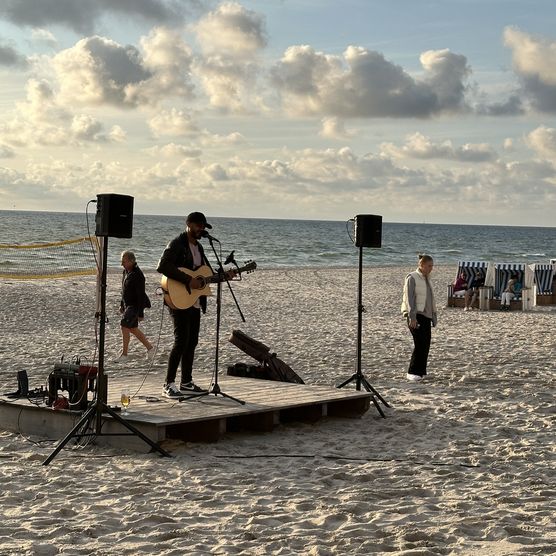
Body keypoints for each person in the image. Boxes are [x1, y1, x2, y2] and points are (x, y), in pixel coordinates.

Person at [157, 212, 220, 397]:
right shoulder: (177, 243)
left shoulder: (199, 248)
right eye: (198, 226)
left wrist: (224, 275)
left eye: (203, 226)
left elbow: (206, 274)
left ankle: (186, 382)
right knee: (181, 341)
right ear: (188, 224)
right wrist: (187, 280)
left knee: (192, 342)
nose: (201, 229)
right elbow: (163, 265)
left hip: (194, 300)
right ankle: (168, 384)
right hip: (178, 298)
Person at [401, 254, 437, 382]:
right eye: (429, 266)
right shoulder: (412, 277)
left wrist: (433, 316)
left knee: (426, 344)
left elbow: (430, 299)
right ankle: (412, 372)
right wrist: (412, 317)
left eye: (432, 266)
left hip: (426, 315)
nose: (431, 268)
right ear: (421, 265)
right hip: (416, 315)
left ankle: (422, 372)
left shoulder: (428, 279)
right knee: (419, 343)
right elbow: (409, 299)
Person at [118, 250, 153, 361]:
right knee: (132, 328)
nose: (122, 264)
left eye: (124, 261)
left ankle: (124, 355)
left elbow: (140, 294)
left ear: (132, 261)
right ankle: (150, 348)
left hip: (135, 305)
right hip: (128, 305)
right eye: (121, 261)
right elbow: (123, 290)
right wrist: (122, 304)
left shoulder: (138, 275)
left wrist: (140, 313)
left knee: (124, 325)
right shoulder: (125, 271)